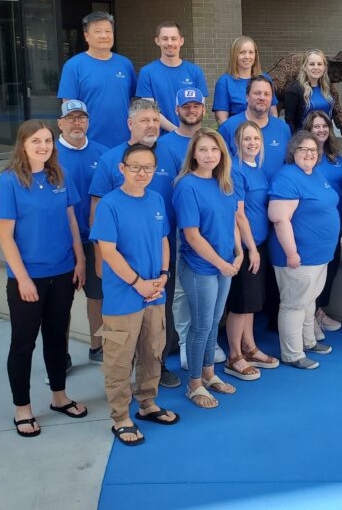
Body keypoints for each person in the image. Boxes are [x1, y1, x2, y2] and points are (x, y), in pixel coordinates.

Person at [0, 120, 87, 437]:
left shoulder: (59, 175)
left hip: (62, 272)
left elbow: (71, 217)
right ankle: (23, 409)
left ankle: (59, 397)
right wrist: (23, 279)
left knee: (57, 337)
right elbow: (5, 237)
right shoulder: (8, 182)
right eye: (36, 141)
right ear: (23, 144)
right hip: (28, 278)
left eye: (47, 140)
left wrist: (80, 258)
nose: (44, 146)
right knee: (23, 344)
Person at [90, 143, 179, 446]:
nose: (142, 173)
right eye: (136, 167)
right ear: (122, 169)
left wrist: (164, 275)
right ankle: (120, 417)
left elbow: (164, 239)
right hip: (123, 298)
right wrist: (137, 282)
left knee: (152, 352)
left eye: (149, 168)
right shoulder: (110, 205)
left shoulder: (155, 199)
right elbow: (108, 252)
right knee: (119, 359)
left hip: (155, 294)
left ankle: (147, 404)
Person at [89, 98, 180, 389]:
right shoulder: (111, 159)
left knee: (158, 318)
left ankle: (158, 366)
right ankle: (121, 377)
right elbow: (96, 207)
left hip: (159, 252)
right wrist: (99, 257)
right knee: (124, 325)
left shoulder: (169, 154)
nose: (152, 125)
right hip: (122, 258)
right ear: (130, 124)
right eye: (145, 120)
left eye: (155, 120)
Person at [173, 130, 241, 408]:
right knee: (200, 326)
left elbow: (232, 221)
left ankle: (209, 374)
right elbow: (191, 235)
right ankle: (194, 384)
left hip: (224, 266)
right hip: (201, 267)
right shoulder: (186, 186)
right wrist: (222, 263)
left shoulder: (224, 183)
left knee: (214, 322)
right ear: (194, 154)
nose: (209, 155)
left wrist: (238, 253)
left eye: (214, 149)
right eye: (203, 150)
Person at [268, 132, 342, 368]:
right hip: (298, 257)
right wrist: (291, 252)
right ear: (293, 152)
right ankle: (292, 353)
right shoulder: (287, 177)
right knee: (294, 304)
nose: (309, 154)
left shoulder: (315, 173)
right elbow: (279, 219)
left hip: (320, 256)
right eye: (303, 149)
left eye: (313, 150)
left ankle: (308, 341)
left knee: (309, 301)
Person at [153, 87, 208, 369]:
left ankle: (205, 341)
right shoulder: (164, 145)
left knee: (205, 286)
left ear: (203, 108)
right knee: (181, 291)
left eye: (196, 105)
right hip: (177, 228)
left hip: (207, 228)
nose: (191, 109)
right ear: (176, 111)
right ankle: (186, 343)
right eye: (185, 106)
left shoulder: (211, 140)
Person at [225, 121, 280, 380]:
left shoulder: (258, 169)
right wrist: (250, 249)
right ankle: (234, 355)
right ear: (237, 143)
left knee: (251, 303)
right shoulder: (235, 170)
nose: (252, 143)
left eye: (255, 139)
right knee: (241, 303)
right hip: (246, 247)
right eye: (247, 139)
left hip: (259, 243)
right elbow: (238, 215)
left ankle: (249, 346)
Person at [55, 100, 107, 364]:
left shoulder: (102, 153)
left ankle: (97, 347)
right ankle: (60, 356)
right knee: (60, 304)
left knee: (97, 297)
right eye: (71, 117)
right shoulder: (48, 155)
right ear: (60, 123)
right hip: (62, 244)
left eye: (81, 117)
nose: (77, 122)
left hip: (95, 240)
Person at [57, 11, 135, 149]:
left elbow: (133, 100)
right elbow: (69, 108)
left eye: (108, 31)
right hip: (88, 143)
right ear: (86, 36)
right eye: (98, 31)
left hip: (124, 141)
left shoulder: (125, 64)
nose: (104, 36)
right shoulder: (73, 66)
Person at [305, 110, 342, 336]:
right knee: (314, 272)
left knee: (331, 269)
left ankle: (319, 311)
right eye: (316, 127)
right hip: (314, 227)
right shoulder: (306, 158)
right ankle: (308, 316)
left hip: (336, 223)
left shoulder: (336, 157)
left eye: (324, 126)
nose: (321, 130)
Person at [135, 21, 209, 133]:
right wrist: (176, 131)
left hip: (191, 137)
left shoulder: (195, 71)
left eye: (173, 38)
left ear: (181, 41)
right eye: (165, 39)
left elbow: (200, 108)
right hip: (159, 138)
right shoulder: (147, 72)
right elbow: (150, 110)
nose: (169, 43)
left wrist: (185, 132)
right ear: (157, 41)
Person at [219, 76, 292, 181]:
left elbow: (289, 165)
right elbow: (221, 168)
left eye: (267, 94)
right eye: (257, 93)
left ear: (272, 99)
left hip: (278, 194)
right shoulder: (229, 127)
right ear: (247, 96)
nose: (262, 97)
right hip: (242, 195)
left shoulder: (283, 129)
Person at [213, 36, 276, 125]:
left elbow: (273, 113)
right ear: (234, 55)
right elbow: (221, 119)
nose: (247, 56)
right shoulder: (224, 82)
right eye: (242, 52)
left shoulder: (265, 79)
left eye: (251, 52)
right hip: (237, 134)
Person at [283, 48, 338, 132]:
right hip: (305, 140)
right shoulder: (294, 89)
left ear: (324, 67)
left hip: (325, 139)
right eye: (312, 64)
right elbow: (290, 121)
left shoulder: (328, 88)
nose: (316, 67)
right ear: (304, 67)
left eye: (319, 64)